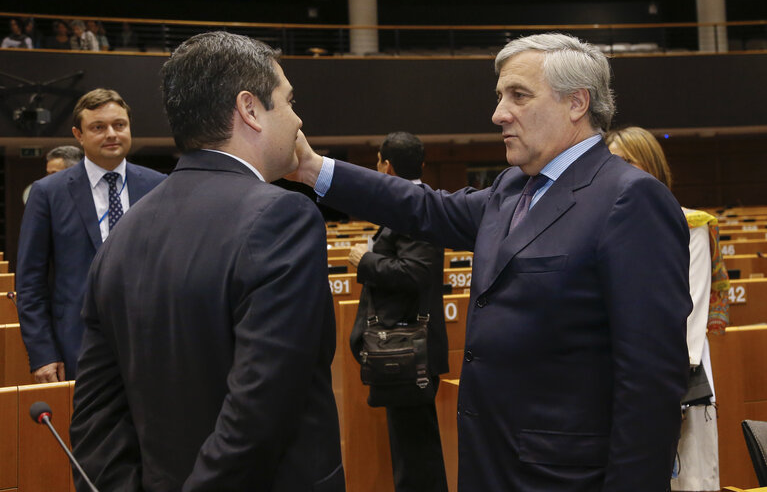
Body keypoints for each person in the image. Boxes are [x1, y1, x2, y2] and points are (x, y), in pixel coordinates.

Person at [291, 33, 692, 491]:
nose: (499, 113)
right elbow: (424, 208)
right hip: (491, 462)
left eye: (518, 95)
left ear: (577, 102)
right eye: (501, 96)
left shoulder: (629, 199)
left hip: (566, 476)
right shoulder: (511, 188)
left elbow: (651, 381)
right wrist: (312, 169)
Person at [70, 31, 344, 491]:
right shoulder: (283, 216)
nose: (297, 120)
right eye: (288, 101)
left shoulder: (123, 234)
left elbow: (97, 418)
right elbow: (261, 411)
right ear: (250, 109)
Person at [606, 126, 729, 492]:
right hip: (621, 380)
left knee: (689, 479)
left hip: (678, 383)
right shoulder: (607, 225)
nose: (618, 171)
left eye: (627, 162)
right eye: (611, 164)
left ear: (653, 167)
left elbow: (690, 313)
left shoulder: (690, 224)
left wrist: (665, 388)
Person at [16, 88, 165, 383]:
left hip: (150, 344)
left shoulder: (159, 186)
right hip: (76, 344)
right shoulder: (48, 193)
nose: (111, 134)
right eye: (98, 127)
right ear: (78, 134)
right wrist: (43, 352)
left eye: (119, 125)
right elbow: (30, 282)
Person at [347, 131, 449, 492]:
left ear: (386, 167)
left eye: (377, 161)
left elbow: (416, 272)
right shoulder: (409, 203)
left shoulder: (414, 206)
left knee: (417, 454)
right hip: (402, 344)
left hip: (409, 347)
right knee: (411, 449)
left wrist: (366, 261)